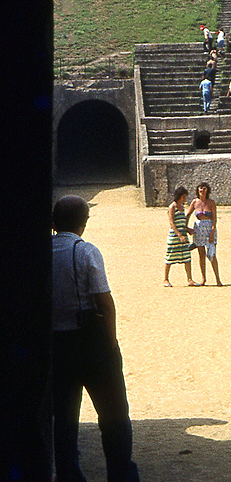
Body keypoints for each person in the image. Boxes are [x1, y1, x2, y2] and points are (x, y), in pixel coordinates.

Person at [51, 195, 141, 482]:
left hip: (56, 345)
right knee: (114, 416)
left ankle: (69, 474)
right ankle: (120, 473)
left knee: (63, 420)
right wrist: (110, 344)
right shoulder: (86, 251)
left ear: (54, 223)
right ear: (83, 223)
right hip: (90, 342)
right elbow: (105, 304)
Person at [186, 182, 223, 286]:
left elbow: (214, 218)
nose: (202, 191)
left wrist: (212, 231)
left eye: (204, 189)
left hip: (209, 227)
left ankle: (217, 278)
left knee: (212, 254)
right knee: (201, 254)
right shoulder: (194, 202)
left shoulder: (211, 202)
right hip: (198, 228)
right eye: (200, 188)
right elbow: (188, 215)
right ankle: (203, 278)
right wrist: (186, 227)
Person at [163, 186, 197, 286]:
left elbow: (182, 223)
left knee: (187, 257)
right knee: (170, 257)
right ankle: (166, 279)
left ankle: (190, 279)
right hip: (175, 237)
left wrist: (188, 229)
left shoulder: (182, 208)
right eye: (183, 197)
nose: (184, 199)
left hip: (184, 236)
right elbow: (172, 223)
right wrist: (179, 235)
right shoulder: (172, 207)